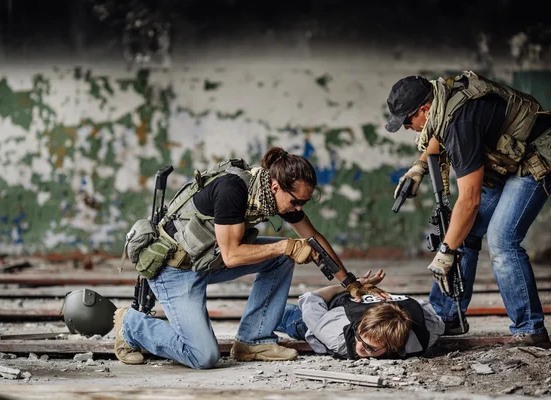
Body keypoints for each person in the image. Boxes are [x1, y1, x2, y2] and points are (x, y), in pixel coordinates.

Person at [114, 147, 390, 368]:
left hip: (207, 260)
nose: (298, 209)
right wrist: (286, 247)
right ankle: (131, 325)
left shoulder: (272, 197)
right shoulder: (233, 190)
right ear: (275, 188)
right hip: (175, 270)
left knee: (283, 255)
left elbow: (313, 237)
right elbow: (232, 255)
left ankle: (252, 340)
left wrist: (351, 284)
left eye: (303, 203)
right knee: (203, 356)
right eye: (296, 202)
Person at [384, 71, 551, 349]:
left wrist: (445, 252)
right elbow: (436, 132)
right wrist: (419, 166)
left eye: (407, 121)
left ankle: (530, 330)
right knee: (461, 232)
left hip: (535, 159)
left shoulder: (461, 124)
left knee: (502, 240)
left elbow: (470, 199)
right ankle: (447, 315)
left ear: (424, 109)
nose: (407, 127)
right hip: (508, 161)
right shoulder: (444, 99)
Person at [276, 269, 445, 359]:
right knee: (273, 314)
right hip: (329, 309)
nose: (359, 347)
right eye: (360, 338)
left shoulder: (424, 335)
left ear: (393, 347)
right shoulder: (336, 334)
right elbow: (312, 297)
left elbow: (420, 307)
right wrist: (353, 286)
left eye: (370, 348)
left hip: (364, 309)